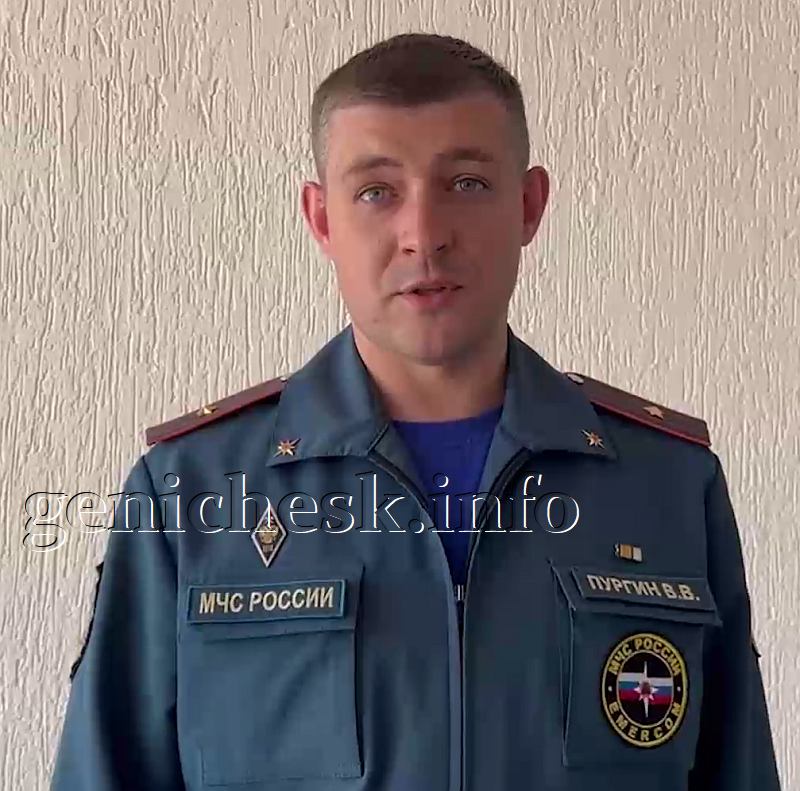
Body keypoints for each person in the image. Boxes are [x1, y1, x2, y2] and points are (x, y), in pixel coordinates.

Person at [51, 32, 780, 791]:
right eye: (376, 191)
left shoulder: (668, 486)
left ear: (528, 205)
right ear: (322, 218)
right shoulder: (188, 492)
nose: (424, 235)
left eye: (466, 182)